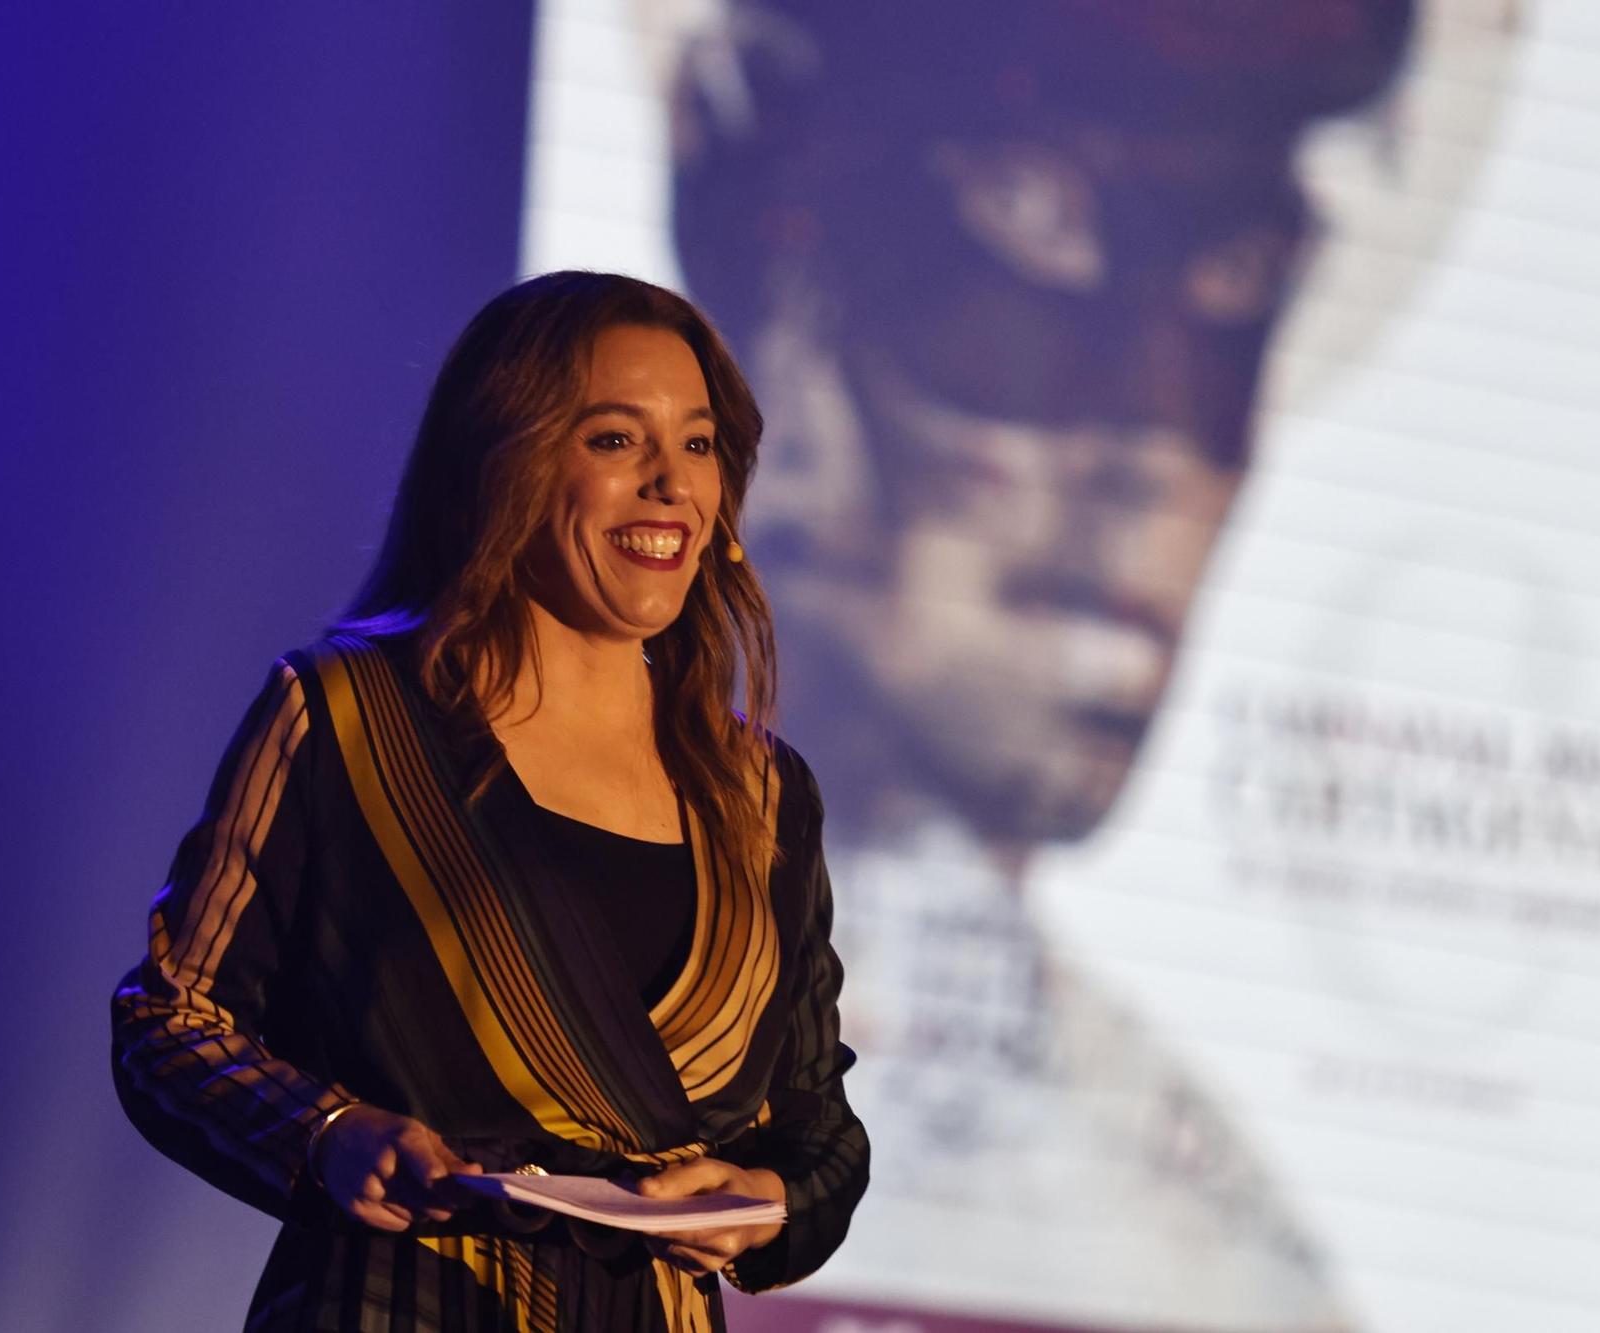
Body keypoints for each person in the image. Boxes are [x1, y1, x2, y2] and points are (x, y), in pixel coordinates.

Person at [668, 3, 1414, 1328]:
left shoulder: (1209, 1258)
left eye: (1238, 279)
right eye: (1034, 225)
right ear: (776, 274)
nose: (1147, 453)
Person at [110, 271, 868, 1333]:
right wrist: (323, 1132)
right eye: (613, 440)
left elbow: (816, 1127)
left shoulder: (762, 796)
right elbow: (169, 1020)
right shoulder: (348, 720)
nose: (669, 485)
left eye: (695, 445)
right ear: (506, 461)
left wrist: (774, 1202)